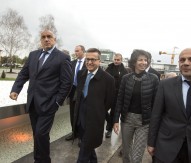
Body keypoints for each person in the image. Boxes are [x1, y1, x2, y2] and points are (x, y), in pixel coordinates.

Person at [9, 29, 72, 163]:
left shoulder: (63, 57)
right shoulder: (33, 55)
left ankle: (43, 161)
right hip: (32, 103)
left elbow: (67, 83)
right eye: (43, 37)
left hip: (49, 104)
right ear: (40, 40)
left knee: (40, 134)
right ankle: (39, 159)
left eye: (49, 37)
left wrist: (57, 102)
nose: (46, 39)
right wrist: (15, 90)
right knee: (38, 135)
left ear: (54, 39)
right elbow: (23, 74)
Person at [113, 49, 159, 163]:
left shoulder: (153, 78)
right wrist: (115, 120)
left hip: (144, 122)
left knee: (137, 155)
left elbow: (156, 103)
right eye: (140, 60)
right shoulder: (126, 78)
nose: (143, 62)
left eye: (145, 60)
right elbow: (119, 100)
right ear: (134, 62)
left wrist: (155, 122)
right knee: (125, 152)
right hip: (127, 119)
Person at [147, 48, 191, 163]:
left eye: (190, 59)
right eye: (182, 60)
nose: (186, 63)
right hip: (167, 145)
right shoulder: (165, 85)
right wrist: (151, 143)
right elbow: (156, 115)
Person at [73, 48, 115, 163]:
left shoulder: (108, 79)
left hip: (95, 119)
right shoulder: (81, 74)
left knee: (84, 151)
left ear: (99, 61)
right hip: (80, 117)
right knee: (88, 146)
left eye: (93, 59)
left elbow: (109, 101)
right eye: (88, 59)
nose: (90, 62)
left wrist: (98, 110)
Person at [65, 45, 86, 142]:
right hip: (72, 90)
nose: (75, 53)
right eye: (75, 51)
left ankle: (82, 135)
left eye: (77, 51)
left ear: (83, 51)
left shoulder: (88, 63)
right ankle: (74, 132)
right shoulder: (72, 63)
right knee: (72, 113)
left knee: (82, 113)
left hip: (83, 91)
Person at [105, 53, 128, 138]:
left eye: (118, 60)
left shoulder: (125, 71)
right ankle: (109, 123)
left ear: (121, 60)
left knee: (113, 112)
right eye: (115, 59)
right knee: (103, 110)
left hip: (118, 94)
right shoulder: (108, 68)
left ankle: (109, 129)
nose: (116, 61)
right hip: (108, 93)